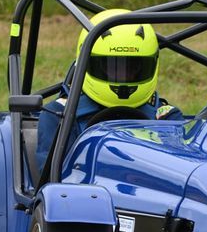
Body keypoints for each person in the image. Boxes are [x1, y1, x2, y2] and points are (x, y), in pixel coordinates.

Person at [33, 9, 184, 171]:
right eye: (111, 67)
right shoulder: (59, 115)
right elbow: (55, 185)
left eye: (132, 68)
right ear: (87, 63)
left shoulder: (166, 118)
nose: (122, 75)